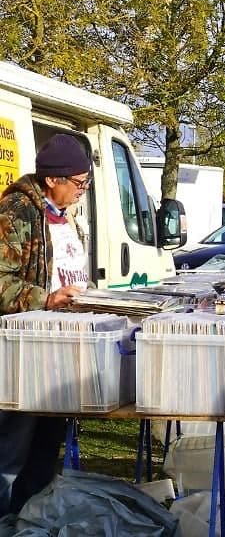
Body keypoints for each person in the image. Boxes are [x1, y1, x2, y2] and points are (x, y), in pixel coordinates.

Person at [0, 134, 93, 514]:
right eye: (79, 183)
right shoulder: (16, 212)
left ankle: (30, 518)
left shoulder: (61, 215)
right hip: (20, 354)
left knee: (45, 448)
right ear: (53, 179)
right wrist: (47, 298)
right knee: (11, 453)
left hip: (55, 349)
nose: (81, 192)